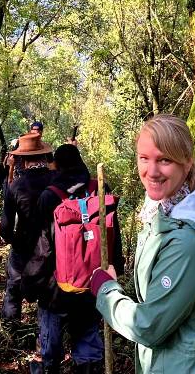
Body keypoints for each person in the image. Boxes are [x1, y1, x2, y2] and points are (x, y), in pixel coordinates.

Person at [89, 114, 195, 373]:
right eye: (144, 158)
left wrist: (106, 292)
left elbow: (149, 326)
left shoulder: (189, 241)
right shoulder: (171, 212)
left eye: (164, 160)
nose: (152, 171)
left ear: (187, 164)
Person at [29, 144, 125, 374]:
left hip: (56, 287)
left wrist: (32, 283)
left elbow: (42, 247)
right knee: (87, 334)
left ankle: (48, 367)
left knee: (50, 341)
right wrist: (114, 269)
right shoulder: (100, 188)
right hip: (93, 282)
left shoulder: (49, 196)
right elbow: (113, 233)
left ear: (58, 166)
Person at [0, 131, 54, 322]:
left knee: (14, 286)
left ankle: (10, 329)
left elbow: (5, 229)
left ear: (22, 159)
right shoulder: (56, 180)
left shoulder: (16, 186)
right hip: (53, 245)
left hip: (24, 244)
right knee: (49, 289)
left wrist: (16, 241)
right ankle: (45, 338)